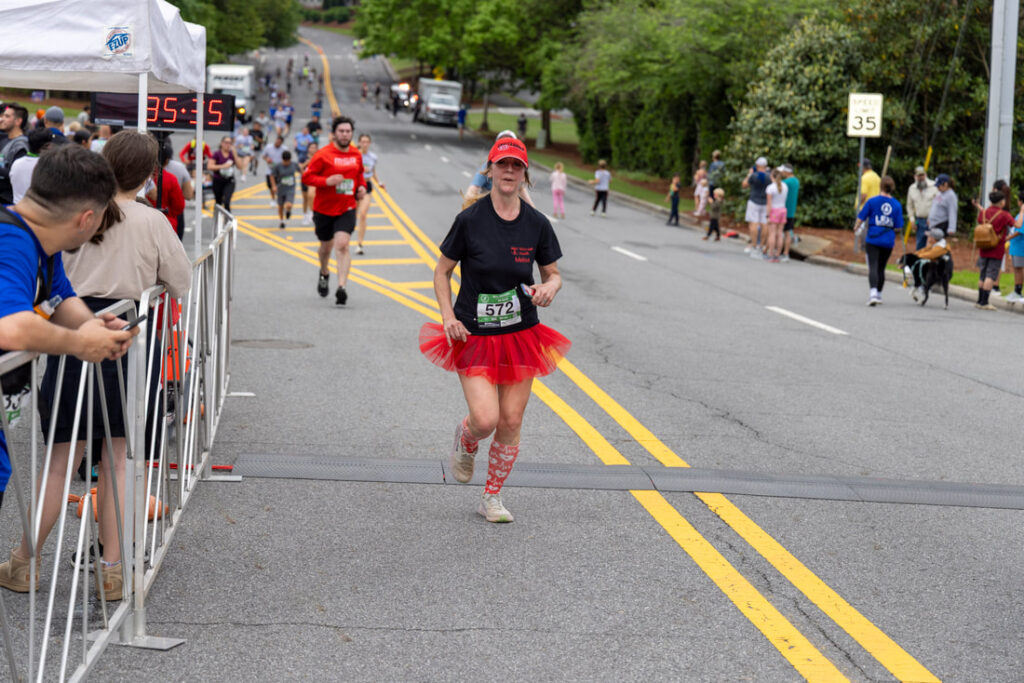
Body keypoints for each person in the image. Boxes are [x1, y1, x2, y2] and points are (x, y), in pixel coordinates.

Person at [0, 144, 140, 590]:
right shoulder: (12, 242)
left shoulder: (39, 240)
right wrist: (80, 343)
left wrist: (93, 325)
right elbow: (11, 327)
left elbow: (59, 296)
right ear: (87, 219)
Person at [419, 136, 569, 523]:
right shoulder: (470, 220)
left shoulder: (536, 224)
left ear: (525, 175)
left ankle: (492, 496)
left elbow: (553, 274)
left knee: (511, 420)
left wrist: (549, 288)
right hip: (474, 334)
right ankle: (467, 438)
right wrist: (448, 317)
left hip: (521, 334)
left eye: (516, 166)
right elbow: (442, 271)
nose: (509, 171)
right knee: (486, 419)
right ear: (490, 170)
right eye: (502, 164)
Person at [301, 116, 366, 305]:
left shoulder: (356, 154)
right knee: (325, 248)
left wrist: (361, 187)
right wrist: (326, 181)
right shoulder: (323, 154)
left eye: (348, 131)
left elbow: (359, 175)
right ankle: (324, 272)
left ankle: (341, 287)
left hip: (347, 207)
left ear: (351, 134)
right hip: (323, 209)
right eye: (341, 131)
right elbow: (306, 177)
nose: (345, 134)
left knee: (343, 244)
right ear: (334, 134)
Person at [854, 175, 903, 306]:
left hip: (873, 238)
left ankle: (873, 293)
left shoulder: (872, 201)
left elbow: (861, 217)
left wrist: (856, 227)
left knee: (873, 266)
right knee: (881, 267)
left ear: (880, 186)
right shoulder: (897, 205)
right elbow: (898, 227)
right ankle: (879, 294)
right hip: (888, 241)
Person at [465, 131, 534, 207]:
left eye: (516, 164)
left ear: (524, 175)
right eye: (501, 162)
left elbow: (525, 197)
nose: (509, 169)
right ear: (490, 170)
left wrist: (533, 211)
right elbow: (471, 192)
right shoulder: (485, 168)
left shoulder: (516, 179)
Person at [975, 190, 1016, 310]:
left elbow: (980, 221)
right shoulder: (1004, 215)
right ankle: (985, 302)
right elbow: (1016, 225)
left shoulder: (984, 212)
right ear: (1002, 202)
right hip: (996, 248)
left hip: (983, 246)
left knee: (982, 274)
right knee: (991, 274)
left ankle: (979, 300)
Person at [354, 133, 384, 255]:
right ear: (359, 143)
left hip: (366, 186)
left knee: (363, 214)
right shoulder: (354, 155)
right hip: (354, 186)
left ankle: (359, 244)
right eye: (363, 142)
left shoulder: (373, 157)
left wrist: (379, 182)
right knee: (352, 214)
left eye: (367, 142)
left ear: (370, 143)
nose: (365, 144)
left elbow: (373, 172)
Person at [10, 128, 56, 205]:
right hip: (36, 208)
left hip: (16, 206)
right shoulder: (46, 165)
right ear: (47, 146)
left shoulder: (16, 163)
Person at [0, 103, 29, 204]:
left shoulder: (21, 145)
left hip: (8, 200)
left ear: (18, 121)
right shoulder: (4, 139)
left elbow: (16, 174)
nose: (2, 119)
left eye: (7, 116)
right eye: (3, 115)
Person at [741, 157, 769, 255]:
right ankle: (761, 245)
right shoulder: (769, 176)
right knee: (764, 224)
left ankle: (754, 245)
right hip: (765, 202)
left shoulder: (754, 175)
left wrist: (749, 174)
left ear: (757, 166)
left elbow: (744, 185)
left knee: (754, 224)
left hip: (754, 201)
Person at [906, 166, 938, 250]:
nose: (921, 178)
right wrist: (912, 220)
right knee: (920, 245)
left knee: (933, 246)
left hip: (933, 220)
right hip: (919, 221)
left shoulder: (934, 186)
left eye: (922, 175)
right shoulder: (912, 188)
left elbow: (939, 205)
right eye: (919, 176)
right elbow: (909, 206)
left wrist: (933, 217)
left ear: (925, 175)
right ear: (915, 176)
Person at [208, 136, 238, 212]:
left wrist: (235, 154)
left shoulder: (232, 154)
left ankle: (228, 218)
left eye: (230, 143)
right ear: (222, 143)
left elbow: (240, 166)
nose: (228, 145)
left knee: (227, 201)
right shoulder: (217, 154)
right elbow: (210, 166)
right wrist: (223, 166)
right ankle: (218, 218)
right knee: (218, 202)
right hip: (218, 180)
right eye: (226, 142)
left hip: (229, 180)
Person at [764, 168, 788, 262]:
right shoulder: (785, 186)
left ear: (772, 176)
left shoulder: (770, 188)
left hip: (774, 211)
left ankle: (771, 254)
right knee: (780, 233)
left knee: (772, 233)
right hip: (783, 210)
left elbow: (769, 203)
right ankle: (778, 254)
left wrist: (767, 215)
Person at [271, 150, 299, 229]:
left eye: (288, 161)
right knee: (280, 206)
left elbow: (301, 170)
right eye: (285, 161)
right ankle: (281, 221)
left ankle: (288, 211)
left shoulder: (294, 165)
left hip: (290, 188)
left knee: (289, 205)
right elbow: (272, 175)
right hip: (281, 188)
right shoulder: (278, 166)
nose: (286, 163)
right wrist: (274, 186)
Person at [262, 136, 290, 208]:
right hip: (270, 170)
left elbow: (288, 159)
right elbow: (264, 156)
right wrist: (267, 159)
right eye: (277, 141)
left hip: (280, 171)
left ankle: (281, 198)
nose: (277, 143)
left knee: (280, 185)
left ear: (281, 143)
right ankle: (273, 199)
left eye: (279, 142)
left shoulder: (284, 149)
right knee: (271, 186)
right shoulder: (268, 147)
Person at [927, 174, 958, 240]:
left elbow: (952, 212)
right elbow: (934, 206)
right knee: (931, 244)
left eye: (939, 186)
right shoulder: (939, 193)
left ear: (945, 184)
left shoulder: (951, 195)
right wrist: (929, 219)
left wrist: (951, 228)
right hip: (934, 225)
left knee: (938, 245)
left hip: (942, 225)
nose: (937, 188)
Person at [1006, 197, 1024, 303]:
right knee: (1016, 268)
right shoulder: (1019, 214)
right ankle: (1016, 290)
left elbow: (1020, 230)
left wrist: (1008, 238)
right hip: (1015, 245)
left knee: (1020, 268)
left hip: (1020, 246)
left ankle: (1019, 290)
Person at [780, 164, 800, 262]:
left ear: (787, 172)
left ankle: (778, 252)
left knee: (781, 232)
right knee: (788, 232)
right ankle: (786, 253)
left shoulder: (786, 182)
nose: (782, 173)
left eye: (783, 171)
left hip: (783, 210)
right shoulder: (796, 181)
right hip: (791, 211)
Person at [298, 141, 318, 225]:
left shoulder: (318, 156)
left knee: (313, 197)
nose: (313, 149)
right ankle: (305, 215)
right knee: (305, 198)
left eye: (314, 147)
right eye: (311, 147)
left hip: (314, 180)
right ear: (308, 148)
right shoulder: (303, 157)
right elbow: (300, 168)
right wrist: (307, 162)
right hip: (305, 180)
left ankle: (312, 213)